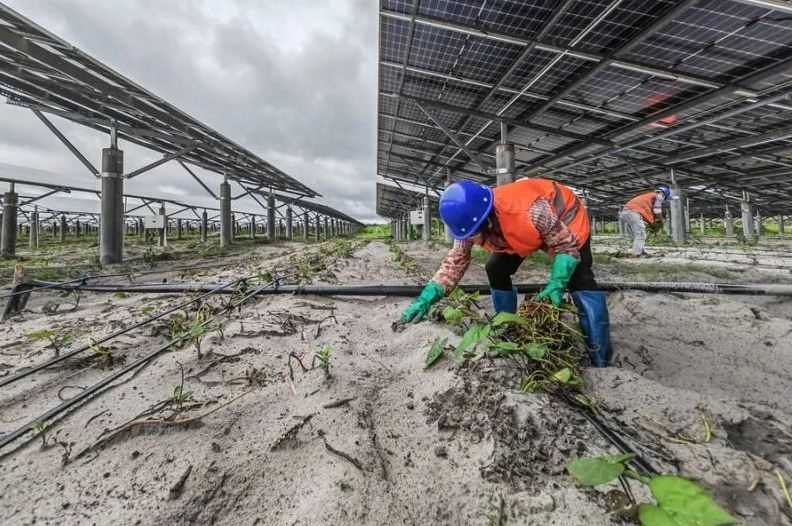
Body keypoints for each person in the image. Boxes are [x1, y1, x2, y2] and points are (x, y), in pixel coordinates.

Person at [400, 179, 612, 367]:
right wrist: (427, 297)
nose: (469, 242)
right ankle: (507, 324)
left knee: (580, 277)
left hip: (565, 218)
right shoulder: (470, 221)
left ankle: (600, 356)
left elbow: (566, 248)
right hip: (522, 231)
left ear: (487, 221)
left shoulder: (531, 211)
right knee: (495, 268)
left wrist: (556, 284)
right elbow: (456, 261)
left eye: (473, 236)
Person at [619, 186, 671, 257]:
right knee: (641, 234)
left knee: (638, 234)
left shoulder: (649, 196)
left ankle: (640, 251)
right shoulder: (659, 196)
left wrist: (652, 223)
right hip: (633, 212)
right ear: (664, 194)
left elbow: (649, 212)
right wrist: (661, 221)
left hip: (626, 212)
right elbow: (657, 211)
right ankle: (637, 254)